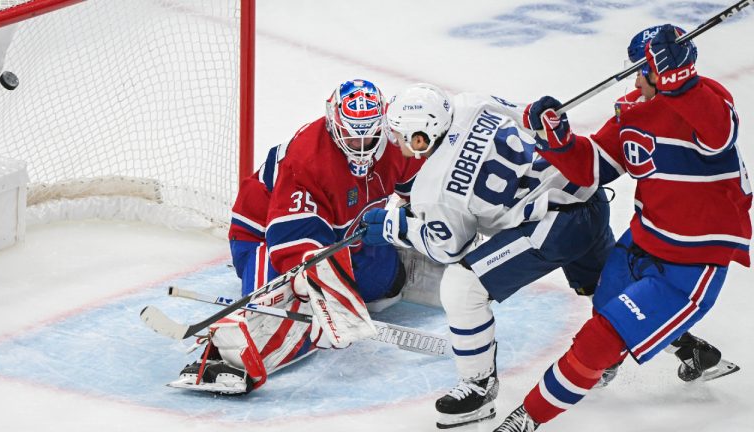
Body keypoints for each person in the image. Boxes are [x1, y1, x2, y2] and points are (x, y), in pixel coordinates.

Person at [494, 24, 750, 431]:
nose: (634, 80)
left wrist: (681, 82)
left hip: (693, 260)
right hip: (643, 240)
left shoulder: (709, 100)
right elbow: (590, 169)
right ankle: (691, 354)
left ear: (663, 70)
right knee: (606, 312)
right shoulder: (633, 108)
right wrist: (558, 140)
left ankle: (527, 418)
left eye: (640, 70)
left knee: (600, 339)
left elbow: (720, 135)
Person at [362, 83, 615, 429]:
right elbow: (532, 117)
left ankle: (479, 386)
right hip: (586, 191)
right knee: (614, 286)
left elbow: (450, 247)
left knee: (462, 287)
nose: (397, 143)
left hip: (557, 227)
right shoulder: (471, 103)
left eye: (401, 136)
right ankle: (684, 345)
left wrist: (399, 228)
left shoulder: (432, 191)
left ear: (421, 138)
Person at [169, 78, 427, 395]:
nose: (361, 147)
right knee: (291, 297)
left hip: (343, 235)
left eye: (369, 136)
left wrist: (424, 226)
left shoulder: (393, 139)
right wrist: (315, 285)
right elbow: (288, 239)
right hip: (267, 235)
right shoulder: (307, 159)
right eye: (351, 137)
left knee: (384, 282)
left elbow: (419, 189)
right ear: (334, 125)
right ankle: (227, 361)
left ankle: (347, 286)